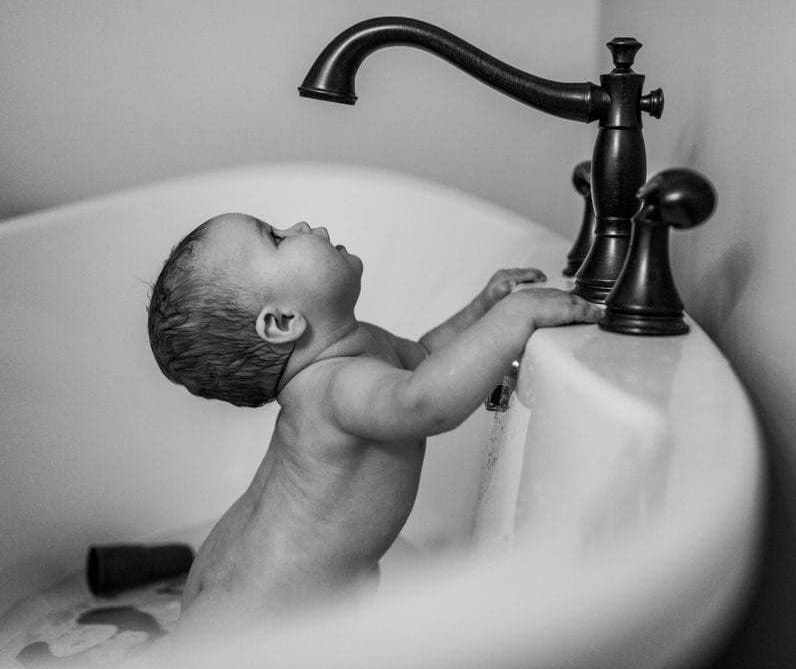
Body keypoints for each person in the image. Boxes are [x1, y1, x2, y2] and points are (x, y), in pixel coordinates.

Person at [146, 212, 601, 636]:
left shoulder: (355, 353)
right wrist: (517, 316)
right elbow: (427, 402)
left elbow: (427, 357)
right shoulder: (335, 388)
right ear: (283, 321)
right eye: (277, 238)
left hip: (243, 597)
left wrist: (482, 309)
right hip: (257, 626)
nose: (299, 224)